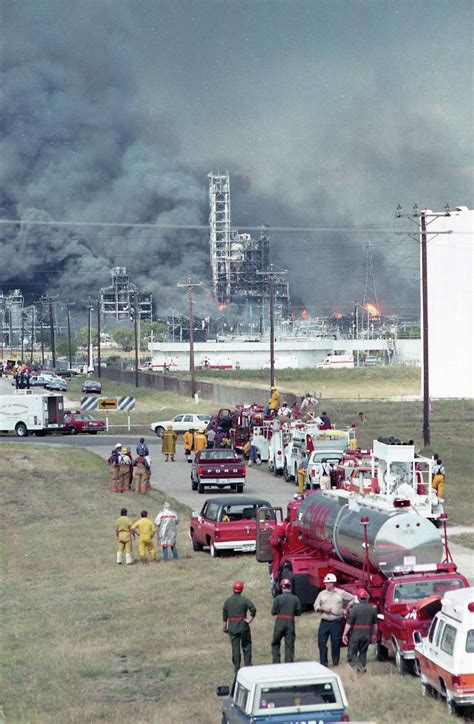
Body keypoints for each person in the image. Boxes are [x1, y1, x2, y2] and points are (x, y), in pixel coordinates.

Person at [314, 573, 356, 667]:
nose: (325, 584)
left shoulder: (341, 593)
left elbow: (352, 598)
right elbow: (316, 605)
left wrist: (347, 608)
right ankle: (323, 663)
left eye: (327, 583)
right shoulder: (322, 594)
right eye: (325, 583)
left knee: (335, 643)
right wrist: (322, 609)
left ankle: (335, 662)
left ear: (333, 583)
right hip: (324, 622)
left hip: (336, 622)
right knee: (322, 642)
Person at [222, 580, 256, 672]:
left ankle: (237, 667)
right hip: (243, 625)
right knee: (246, 646)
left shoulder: (228, 601)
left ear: (233, 589)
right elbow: (253, 609)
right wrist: (250, 619)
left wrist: (225, 626)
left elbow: (225, 615)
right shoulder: (244, 600)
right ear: (242, 589)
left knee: (235, 648)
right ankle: (248, 665)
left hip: (232, 626)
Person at [342, 588, 377, 673]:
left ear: (358, 598)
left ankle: (359, 667)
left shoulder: (355, 609)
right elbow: (375, 625)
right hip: (366, 634)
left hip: (356, 634)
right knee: (363, 653)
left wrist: (344, 634)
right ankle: (361, 671)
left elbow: (349, 624)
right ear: (366, 598)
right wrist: (374, 635)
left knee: (351, 654)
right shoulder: (372, 609)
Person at [271, 578, 302, 663]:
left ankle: (276, 662)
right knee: (289, 645)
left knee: (276, 643)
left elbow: (273, 612)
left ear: (282, 587)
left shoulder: (278, 598)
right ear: (290, 587)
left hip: (280, 622)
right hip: (290, 622)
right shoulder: (295, 598)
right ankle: (289, 664)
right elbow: (299, 612)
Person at [269, 517, 290, 583]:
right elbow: (289, 536)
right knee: (288, 554)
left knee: (276, 560)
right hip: (277, 542)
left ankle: (275, 576)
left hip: (273, 540)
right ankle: (278, 574)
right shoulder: (287, 526)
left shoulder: (282, 522)